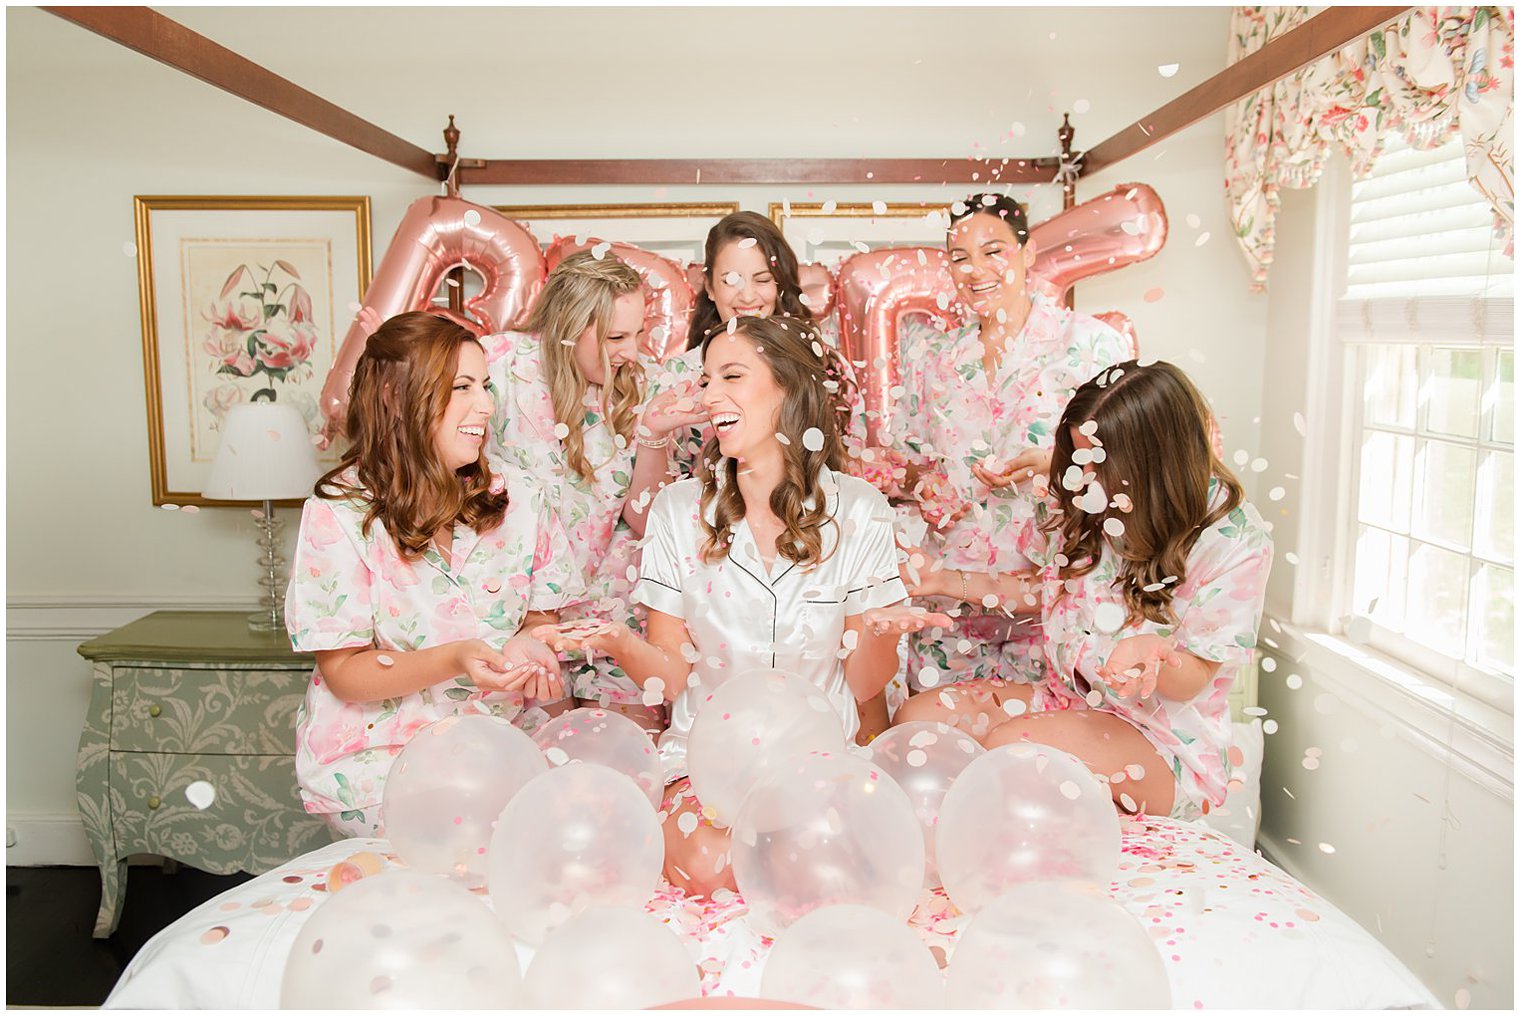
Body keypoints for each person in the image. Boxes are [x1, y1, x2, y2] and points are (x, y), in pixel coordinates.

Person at [536, 315, 948, 896]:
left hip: (823, 758)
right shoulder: (678, 511)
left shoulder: (858, 508)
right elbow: (674, 678)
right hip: (706, 763)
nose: (710, 395)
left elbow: (863, 686)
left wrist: (880, 633)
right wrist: (618, 642)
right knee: (711, 864)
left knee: (829, 861)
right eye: (705, 381)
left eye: (731, 375)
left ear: (787, 388)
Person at [894, 360, 1273, 820]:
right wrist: (940, 580)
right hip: (1070, 702)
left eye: (1097, 461)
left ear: (1151, 458)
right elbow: (1051, 591)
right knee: (918, 725)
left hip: (1163, 740)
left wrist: (1153, 655)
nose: (1080, 474)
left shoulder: (1232, 537)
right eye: (1076, 457)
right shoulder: (1090, 492)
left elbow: (1196, 673)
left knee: (1012, 750)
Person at [284, 311, 579, 837]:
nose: (486, 406)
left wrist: (531, 645)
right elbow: (345, 672)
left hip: (504, 747)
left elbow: (537, 620)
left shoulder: (522, 498)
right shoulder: (340, 513)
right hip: (379, 769)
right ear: (398, 398)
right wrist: (456, 658)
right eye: (462, 386)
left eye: (485, 385)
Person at [881, 192, 1132, 693]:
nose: (976, 270)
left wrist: (1053, 464)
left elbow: (1128, 468)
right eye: (960, 258)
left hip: (1053, 601)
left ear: (1028, 251)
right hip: (950, 603)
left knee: (1044, 760)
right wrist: (925, 484)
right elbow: (906, 465)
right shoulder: (932, 358)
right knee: (939, 750)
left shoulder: (1092, 346)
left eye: (993, 250)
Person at [482, 251, 695, 734]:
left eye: (639, 333)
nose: (631, 351)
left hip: (615, 611)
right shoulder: (496, 368)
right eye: (616, 337)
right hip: (519, 615)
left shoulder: (645, 385)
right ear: (565, 326)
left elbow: (647, 521)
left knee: (628, 765)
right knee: (537, 772)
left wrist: (653, 435)